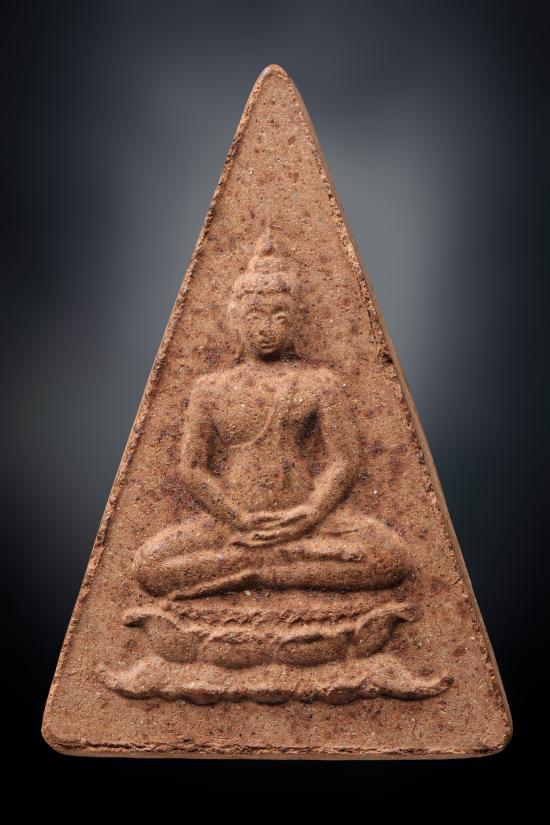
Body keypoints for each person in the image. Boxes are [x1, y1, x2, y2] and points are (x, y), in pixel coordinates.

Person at [132, 230, 410, 599]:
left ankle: (258, 571)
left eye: (279, 317)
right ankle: (277, 566)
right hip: (232, 523)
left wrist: (309, 513)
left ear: (295, 321)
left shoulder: (318, 383)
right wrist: (236, 518)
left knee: (391, 558)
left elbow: (343, 460)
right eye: (255, 316)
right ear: (235, 318)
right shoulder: (210, 389)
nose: (266, 328)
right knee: (148, 566)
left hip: (304, 519)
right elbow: (193, 467)